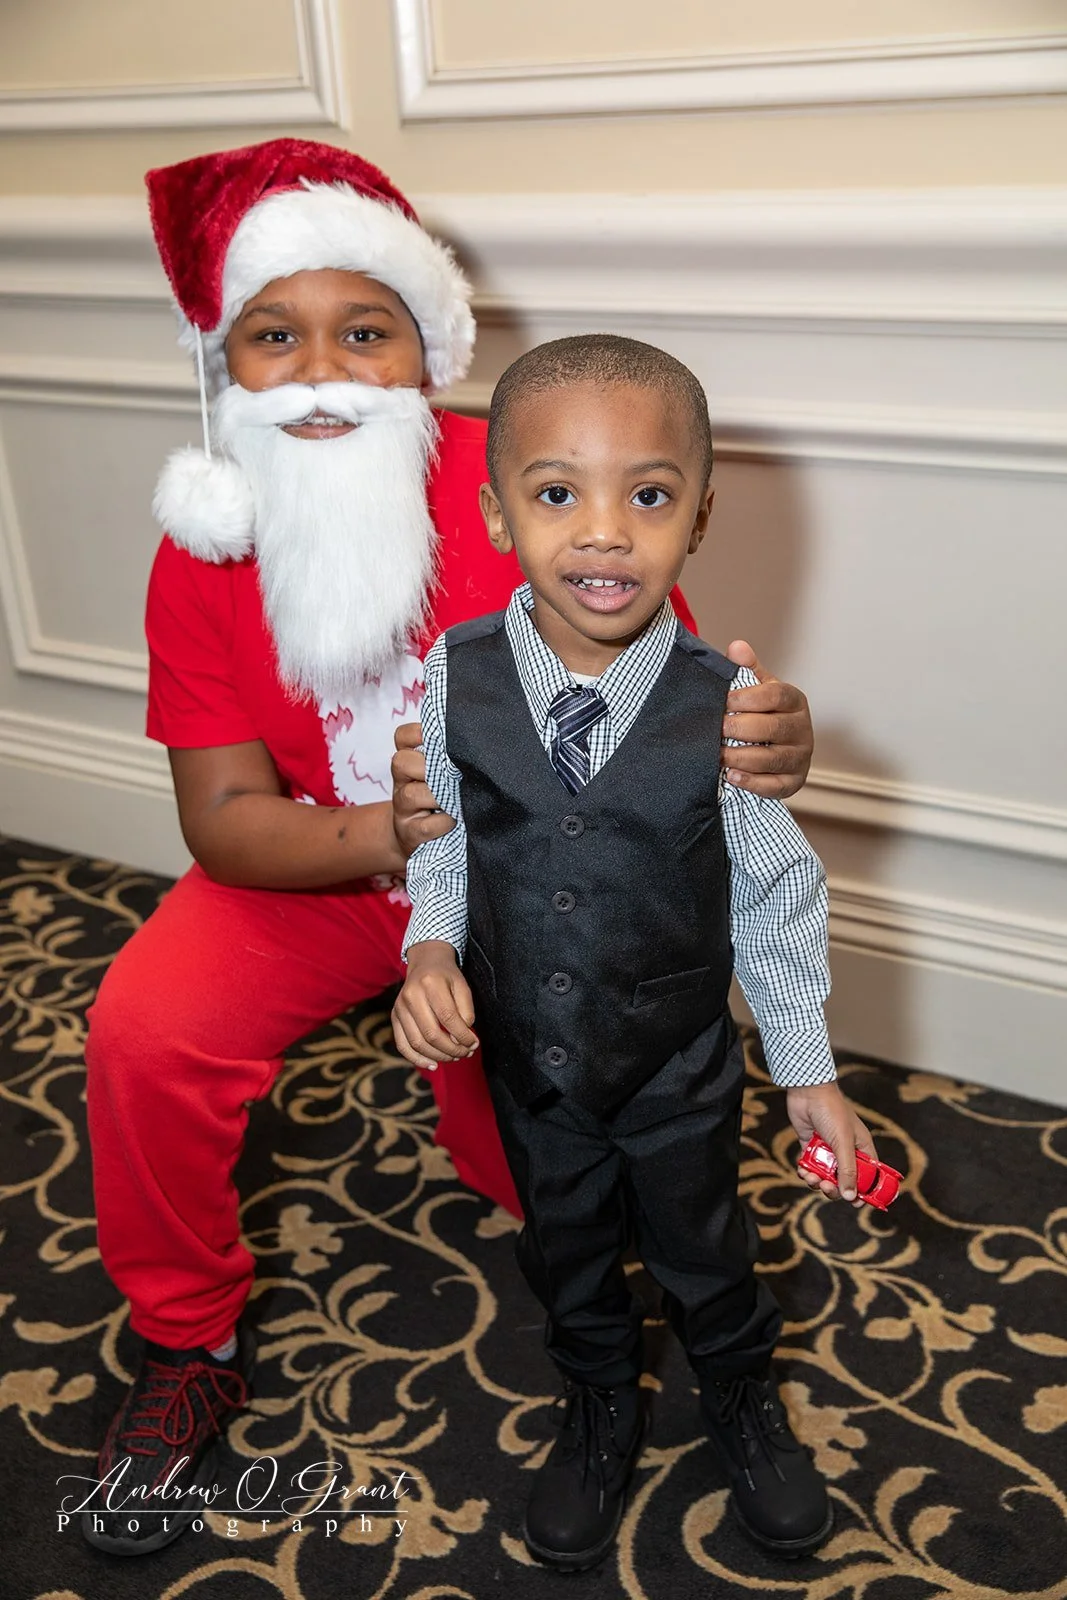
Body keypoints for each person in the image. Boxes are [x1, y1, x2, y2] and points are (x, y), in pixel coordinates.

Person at [82, 140, 816, 1557]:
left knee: (546, 1175)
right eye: (273, 337)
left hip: (536, 893)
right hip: (311, 873)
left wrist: (762, 741)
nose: (320, 375)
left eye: (365, 332)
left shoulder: (535, 482)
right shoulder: (200, 547)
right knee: (143, 1030)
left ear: (425, 349)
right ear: (224, 363)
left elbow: (672, 716)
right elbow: (220, 822)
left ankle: (668, 1327)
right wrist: (411, 829)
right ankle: (185, 1340)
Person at [394, 333, 876, 1571]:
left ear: (698, 516)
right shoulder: (453, 676)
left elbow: (774, 891)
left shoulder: (725, 707)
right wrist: (430, 948)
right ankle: (597, 1401)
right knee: (562, 1254)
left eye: (647, 495)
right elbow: (443, 839)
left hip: (676, 1068)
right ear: (495, 515)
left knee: (703, 1248)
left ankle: (738, 1396)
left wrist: (806, 1069)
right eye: (557, 492)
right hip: (530, 1066)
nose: (603, 532)